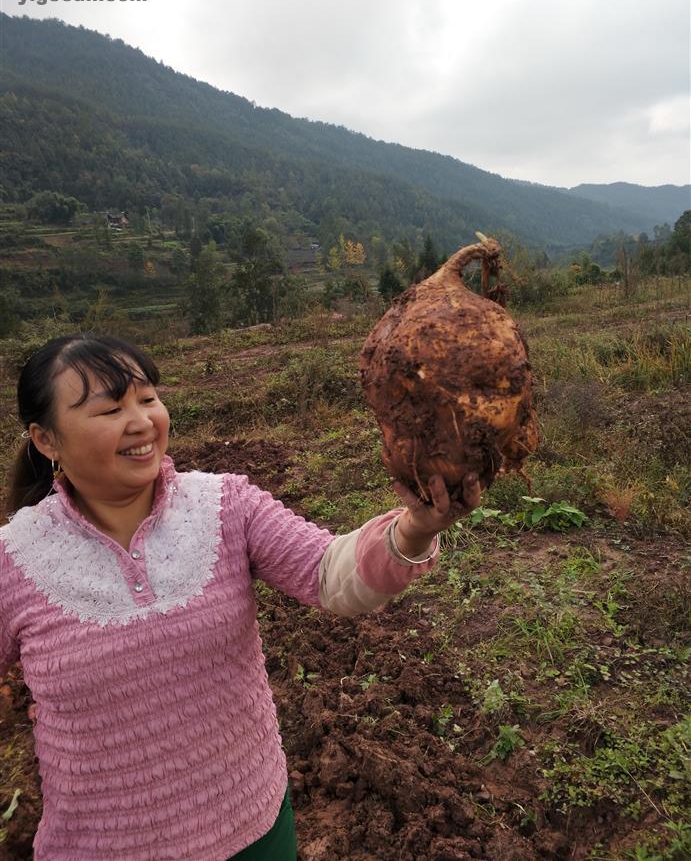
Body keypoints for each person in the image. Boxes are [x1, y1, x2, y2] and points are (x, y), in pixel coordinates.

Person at [0, 334, 481, 861]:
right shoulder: (14, 558)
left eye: (148, 398)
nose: (141, 422)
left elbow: (329, 574)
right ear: (46, 440)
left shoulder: (225, 505)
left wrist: (413, 529)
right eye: (110, 409)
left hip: (254, 827)